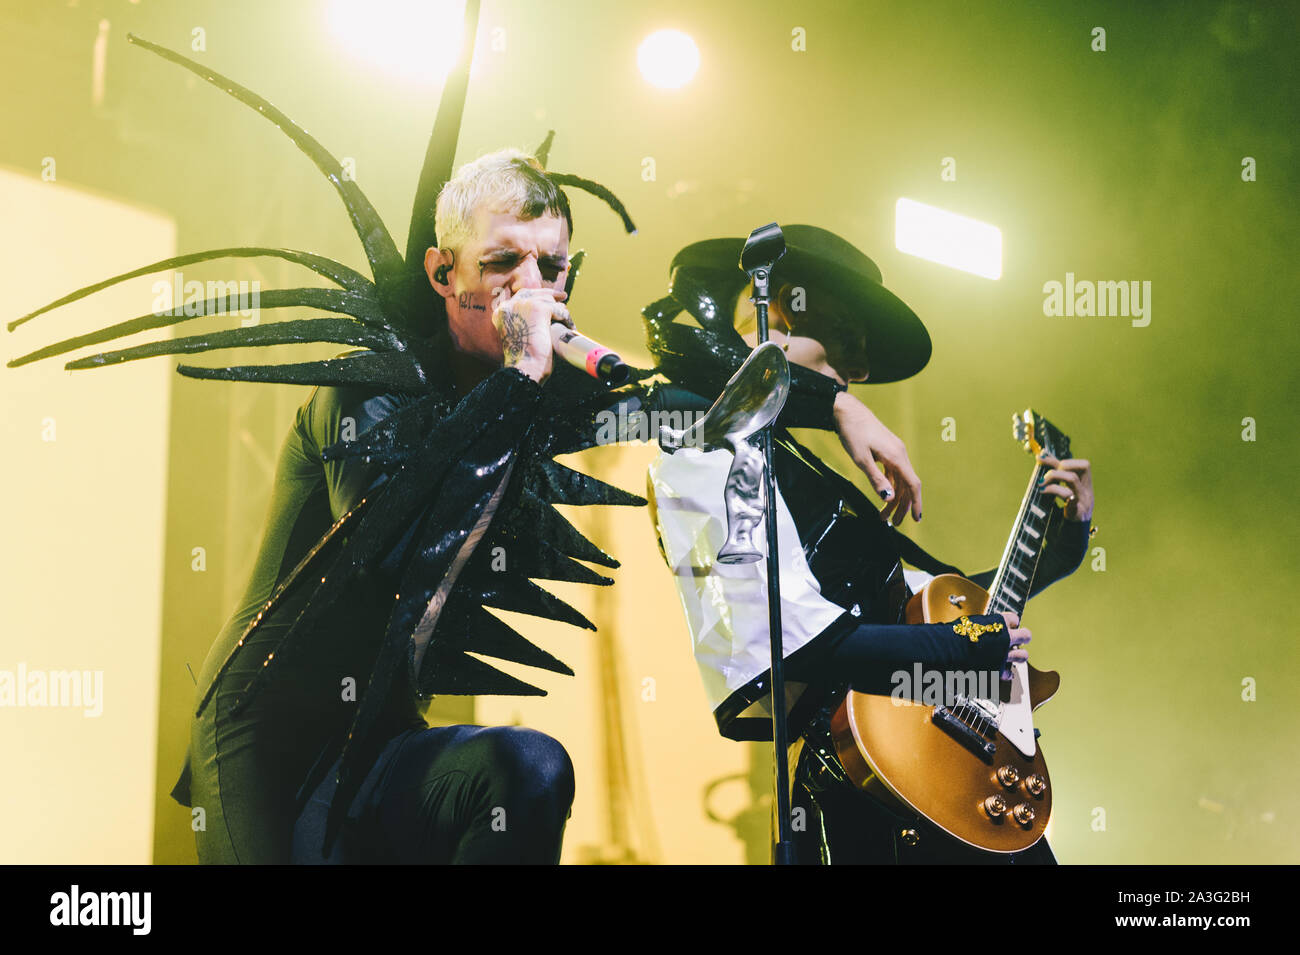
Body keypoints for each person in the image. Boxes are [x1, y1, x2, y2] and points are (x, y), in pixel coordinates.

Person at [173, 149, 623, 864]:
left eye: (553, 266)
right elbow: (387, 551)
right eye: (504, 260)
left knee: (528, 769)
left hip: (378, 732)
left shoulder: (519, 397)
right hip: (264, 734)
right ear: (444, 273)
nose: (532, 285)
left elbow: (686, 404)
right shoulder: (370, 387)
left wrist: (833, 399)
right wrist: (522, 378)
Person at [640, 225, 1094, 863]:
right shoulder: (702, 446)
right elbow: (791, 643)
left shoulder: (794, 463)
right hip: (858, 796)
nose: (859, 371)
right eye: (850, 342)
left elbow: (926, 612)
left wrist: (1060, 549)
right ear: (782, 314)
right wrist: (972, 646)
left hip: (943, 778)